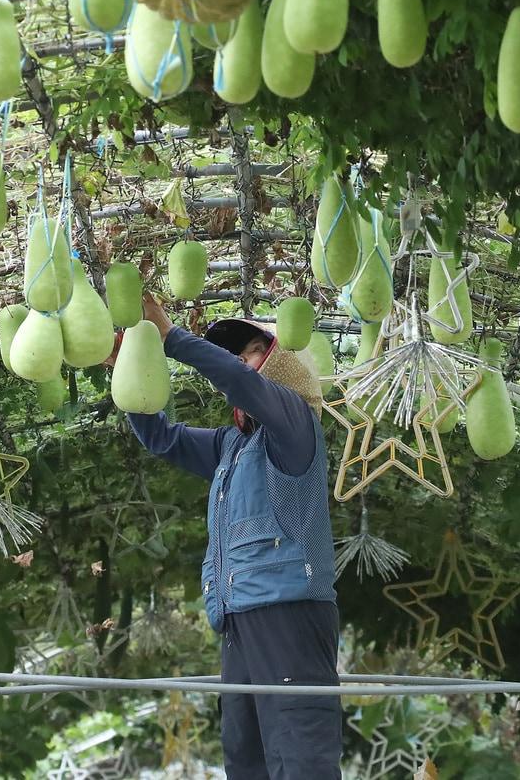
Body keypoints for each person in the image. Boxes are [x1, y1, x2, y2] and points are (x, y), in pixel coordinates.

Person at [124, 293, 342, 779]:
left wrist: (172, 338)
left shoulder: (293, 424)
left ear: (282, 364)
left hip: (288, 610)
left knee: (299, 753)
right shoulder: (232, 447)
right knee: (246, 757)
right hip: (239, 616)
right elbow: (164, 438)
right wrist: (126, 365)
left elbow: (240, 382)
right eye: (240, 355)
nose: (242, 364)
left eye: (251, 353)